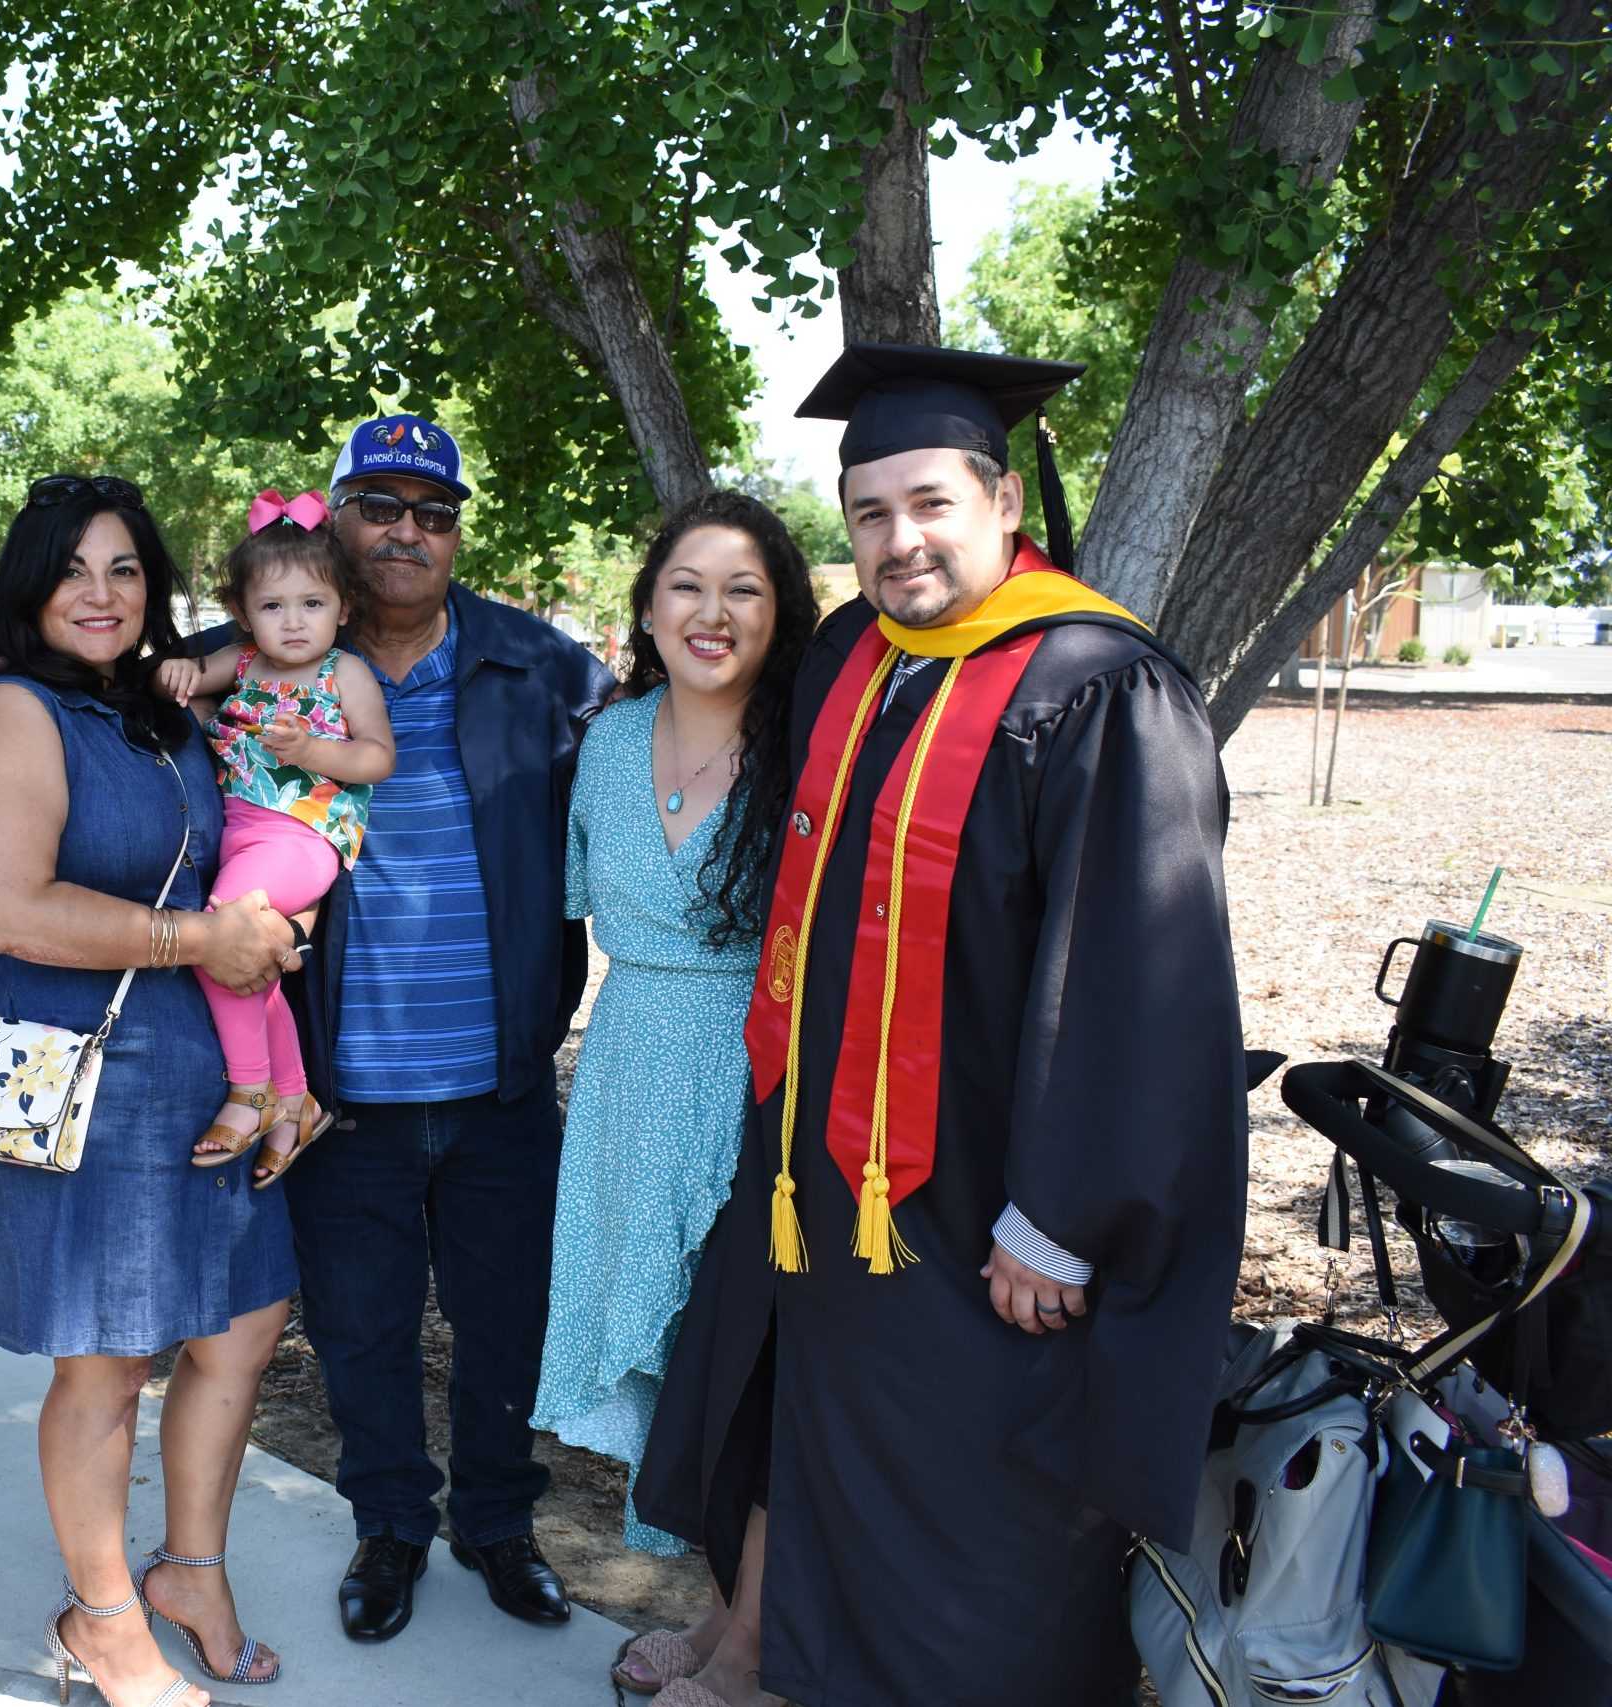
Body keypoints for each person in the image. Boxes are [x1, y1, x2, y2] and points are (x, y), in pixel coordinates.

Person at [635, 343, 1247, 1707]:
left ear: (1003, 503)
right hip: (825, 1155)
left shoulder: (1096, 684)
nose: (898, 540)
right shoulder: (862, 650)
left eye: (929, 504)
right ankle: (768, 1649)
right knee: (806, 1412)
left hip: (980, 1179)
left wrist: (1064, 1212)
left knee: (963, 1484)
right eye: (869, 512)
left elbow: (1138, 978)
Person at [196, 413, 612, 1644]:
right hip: (342, 1089)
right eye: (379, 504)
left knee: (503, 1323)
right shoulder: (258, 664)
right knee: (363, 1327)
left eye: (434, 512)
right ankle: (390, 1527)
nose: (407, 531)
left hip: (497, 1086)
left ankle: (496, 1520)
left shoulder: (540, 670)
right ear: (331, 522)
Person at [0, 473, 301, 1707]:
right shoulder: (12, 714)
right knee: (111, 1363)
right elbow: (13, 907)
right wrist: (201, 944)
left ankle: (189, 1569)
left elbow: (282, 642)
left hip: (210, 1061)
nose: (101, 592)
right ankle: (103, 1618)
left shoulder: (153, 707)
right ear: (29, 584)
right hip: (92, 1070)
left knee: (243, 1320)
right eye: (73, 569)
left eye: (125, 569)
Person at [528, 492, 819, 1700]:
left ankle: (752, 1650)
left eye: (742, 589)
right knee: (680, 1371)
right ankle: (718, 1616)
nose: (712, 612)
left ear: (779, 613)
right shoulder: (604, 738)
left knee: (756, 1367)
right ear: (647, 605)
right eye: (687, 585)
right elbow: (574, 904)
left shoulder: (811, 739)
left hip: (763, 1071)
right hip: (630, 1069)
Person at [155, 488, 393, 1181]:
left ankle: (251, 1088)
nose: (293, 623)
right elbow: (192, 679)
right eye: (273, 606)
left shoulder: (342, 673)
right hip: (242, 833)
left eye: (312, 604)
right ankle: (296, 1099)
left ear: (343, 608)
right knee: (250, 962)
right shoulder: (246, 661)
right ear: (244, 613)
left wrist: (313, 752)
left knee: (219, 933)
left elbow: (378, 755)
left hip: (303, 835)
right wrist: (180, 674)